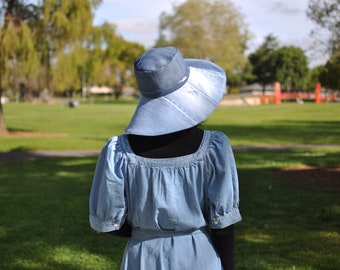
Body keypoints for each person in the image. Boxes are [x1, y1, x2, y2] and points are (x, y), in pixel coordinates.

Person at [89, 46, 242, 270]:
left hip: (142, 257)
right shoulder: (214, 148)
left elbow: (110, 223)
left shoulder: (119, 152)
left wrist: (149, 231)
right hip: (197, 256)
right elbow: (223, 228)